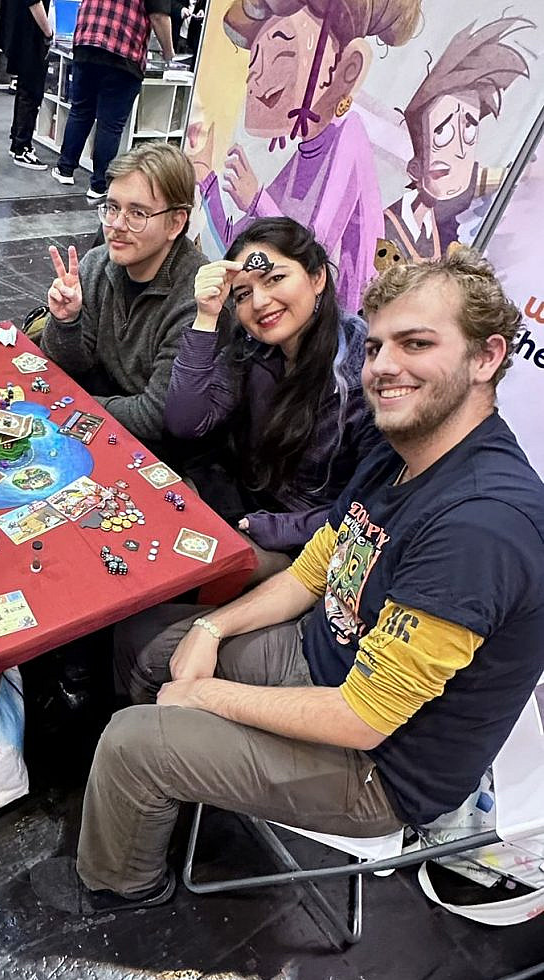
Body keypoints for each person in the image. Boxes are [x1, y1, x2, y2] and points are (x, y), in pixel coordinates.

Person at [30, 247, 544, 914]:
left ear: (487, 357)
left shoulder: (482, 524)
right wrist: (213, 627)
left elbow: (363, 719)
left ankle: (122, 887)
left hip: (379, 769)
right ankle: (166, 788)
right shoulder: (406, 447)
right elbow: (316, 565)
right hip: (323, 660)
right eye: (377, 346)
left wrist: (205, 696)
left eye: (416, 344)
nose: (384, 366)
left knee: (133, 745)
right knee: (147, 641)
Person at [166, 217, 382, 582]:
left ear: (317, 277)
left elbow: (368, 505)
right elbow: (185, 421)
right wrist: (205, 317)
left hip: (307, 542)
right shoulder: (254, 346)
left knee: (183, 576)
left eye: (275, 278)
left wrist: (278, 529)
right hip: (245, 500)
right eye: (243, 294)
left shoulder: (364, 372)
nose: (260, 302)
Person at [196, 0, 421, 312]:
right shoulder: (302, 158)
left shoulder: (348, 135)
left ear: (348, 69)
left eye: (282, 55)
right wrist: (205, 178)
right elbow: (241, 247)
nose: (257, 79)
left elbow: (312, 250)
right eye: (255, 61)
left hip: (332, 329)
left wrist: (257, 200)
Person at [41, 141, 220, 450]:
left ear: (175, 223)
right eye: (112, 208)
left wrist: (72, 403)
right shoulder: (97, 264)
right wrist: (66, 322)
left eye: (137, 213)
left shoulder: (198, 300)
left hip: (159, 453)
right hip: (99, 422)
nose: (116, 226)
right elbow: (64, 365)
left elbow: (155, 416)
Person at [380, 16, 532, 265]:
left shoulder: (437, 223)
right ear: (415, 168)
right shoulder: (388, 230)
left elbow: (476, 182)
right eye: (443, 133)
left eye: (469, 132)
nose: (460, 151)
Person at [49, 0, 175, 201]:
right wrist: (169, 54)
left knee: (80, 110)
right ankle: (99, 185)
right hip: (123, 51)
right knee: (110, 124)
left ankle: (65, 169)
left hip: (87, 43)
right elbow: (159, 16)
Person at [1, 0, 54, 170]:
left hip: (21, 34)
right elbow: (34, 2)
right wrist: (48, 33)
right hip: (31, 37)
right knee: (31, 92)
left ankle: (18, 141)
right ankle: (21, 148)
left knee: (25, 90)